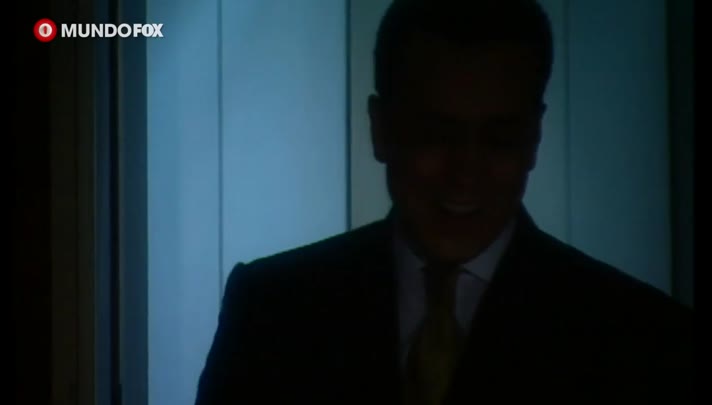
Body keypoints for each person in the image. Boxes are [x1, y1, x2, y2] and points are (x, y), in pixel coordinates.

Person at [195, 0, 693, 404]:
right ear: (381, 129)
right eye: (435, 134)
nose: (464, 173)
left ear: (534, 138)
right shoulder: (273, 312)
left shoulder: (639, 339)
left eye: (498, 139)